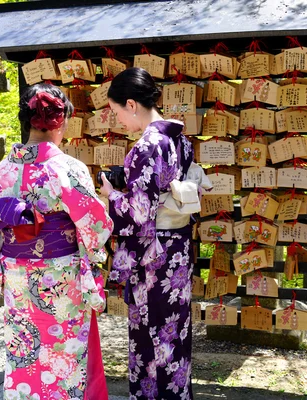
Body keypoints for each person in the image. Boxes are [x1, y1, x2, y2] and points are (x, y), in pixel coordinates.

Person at [0, 83, 113, 400]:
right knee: (63, 358)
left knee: (24, 354)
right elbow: (95, 227)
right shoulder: (66, 168)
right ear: (61, 120)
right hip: (60, 279)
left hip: (16, 277)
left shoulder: (0, 171)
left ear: (26, 120)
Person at [100, 67, 206, 400]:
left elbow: (139, 212)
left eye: (117, 112)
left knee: (151, 337)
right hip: (178, 250)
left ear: (131, 104)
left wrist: (110, 195)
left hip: (154, 257)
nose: (119, 121)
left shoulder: (147, 145)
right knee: (174, 334)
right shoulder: (179, 138)